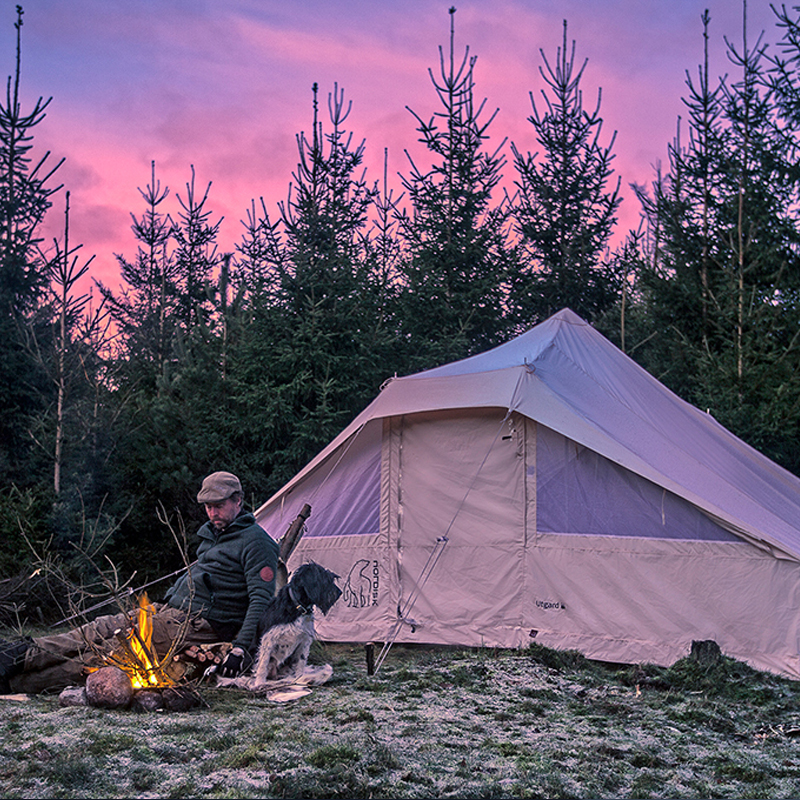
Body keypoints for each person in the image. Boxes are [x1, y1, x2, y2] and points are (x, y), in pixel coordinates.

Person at [0, 471, 279, 694]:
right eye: (208, 507)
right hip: (168, 610)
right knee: (99, 627)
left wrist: (241, 647)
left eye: (219, 506)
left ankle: (15, 684)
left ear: (238, 501)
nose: (212, 513)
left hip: (202, 624)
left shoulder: (256, 542)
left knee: (109, 654)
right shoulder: (214, 535)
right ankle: (15, 655)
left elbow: (261, 598)